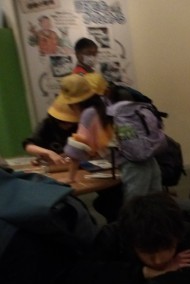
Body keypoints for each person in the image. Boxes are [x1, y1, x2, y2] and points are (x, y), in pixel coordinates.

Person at [51, 192, 190, 284]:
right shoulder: (113, 235)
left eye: (167, 249)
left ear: (177, 238)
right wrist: (144, 272)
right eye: (148, 253)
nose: (158, 261)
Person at [59, 74, 162, 204]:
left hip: (132, 165)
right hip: (149, 158)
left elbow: (77, 149)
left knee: (135, 207)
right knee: (157, 203)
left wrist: (70, 178)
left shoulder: (88, 113)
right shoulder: (106, 102)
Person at [22, 96, 79, 166]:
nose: (69, 125)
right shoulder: (47, 124)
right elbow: (28, 145)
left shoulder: (78, 126)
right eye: (64, 122)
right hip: (51, 164)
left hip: (73, 163)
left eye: (72, 123)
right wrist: (49, 153)